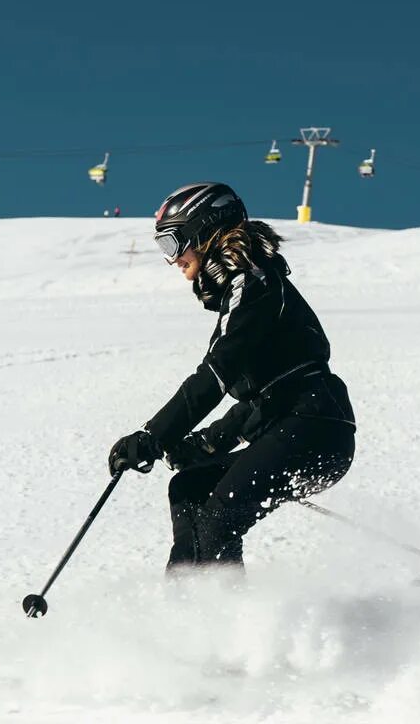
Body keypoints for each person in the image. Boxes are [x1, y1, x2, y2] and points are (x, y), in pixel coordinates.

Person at [108, 182, 356, 570]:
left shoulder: (255, 283)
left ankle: (223, 618)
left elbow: (217, 373)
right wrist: (206, 444)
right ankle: (183, 610)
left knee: (219, 521)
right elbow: (265, 397)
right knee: (189, 487)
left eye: (172, 244)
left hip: (315, 429)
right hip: (297, 425)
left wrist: (154, 436)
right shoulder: (246, 290)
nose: (172, 260)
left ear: (203, 231)